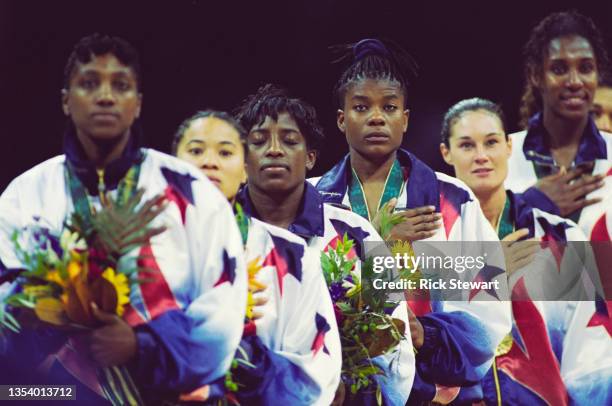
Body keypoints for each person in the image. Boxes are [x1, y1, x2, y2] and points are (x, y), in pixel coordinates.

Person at [0, 34, 247, 405]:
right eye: (88, 83)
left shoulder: (191, 193)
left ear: (138, 104)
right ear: (66, 101)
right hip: (58, 395)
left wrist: (140, 345)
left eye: (120, 85)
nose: (105, 96)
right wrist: (50, 316)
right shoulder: (27, 195)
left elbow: (222, 314)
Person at [310, 38, 512, 404]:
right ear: (341, 119)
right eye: (360, 107)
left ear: (404, 120)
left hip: (438, 393)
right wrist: (382, 248)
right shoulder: (311, 203)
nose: (376, 117)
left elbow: (490, 310)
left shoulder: (451, 200)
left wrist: (425, 334)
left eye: (389, 107)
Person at [234, 84, 415, 405]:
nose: (274, 150)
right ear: (243, 160)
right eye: (259, 142)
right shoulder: (219, 236)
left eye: (290, 141)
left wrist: (345, 389)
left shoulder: (357, 234)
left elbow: (396, 348)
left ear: (311, 158)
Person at [440, 97, 611, 405]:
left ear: (509, 146)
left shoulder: (560, 238)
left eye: (491, 142)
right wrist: (489, 274)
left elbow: (589, 352)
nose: (481, 156)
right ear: (446, 153)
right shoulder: (428, 234)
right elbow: (417, 332)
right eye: (467, 145)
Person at [173, 110, 342, 405]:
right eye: (196, 150)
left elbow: (399, 334)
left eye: (225, 152)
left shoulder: (361, 232)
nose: (274, 150)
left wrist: (426, 386)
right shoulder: (139, 243)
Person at [506, 11, 612, 238]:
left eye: (585, 68)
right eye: (559, 69)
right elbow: (469, 246)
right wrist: (529, 204)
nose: (574, 81)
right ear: (535, 75)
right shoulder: (501, 155)